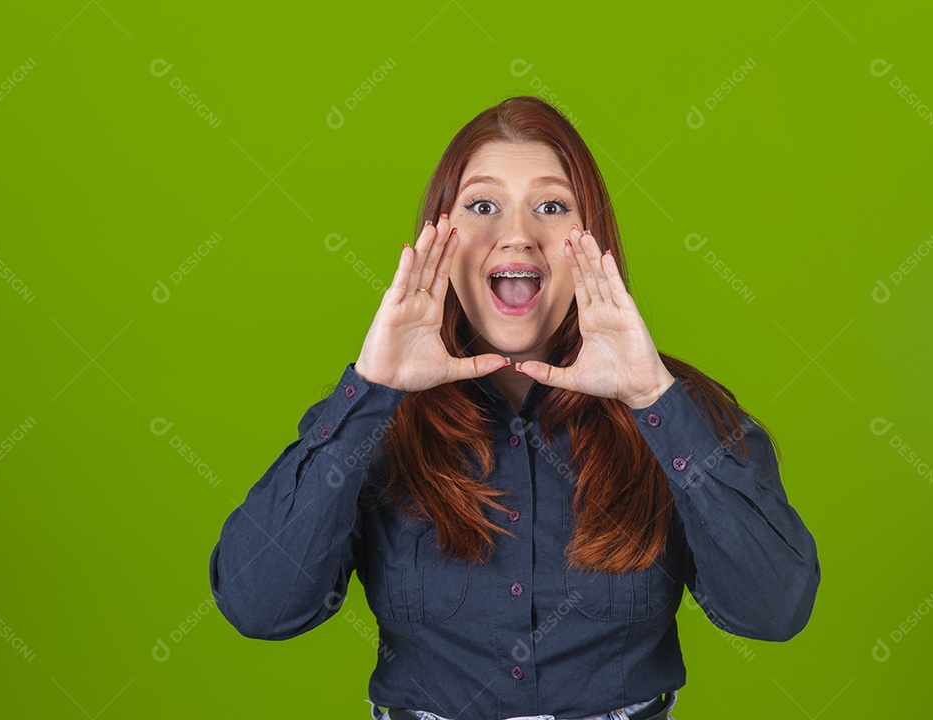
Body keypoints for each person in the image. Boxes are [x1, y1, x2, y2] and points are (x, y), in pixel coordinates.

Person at [208, 95, 820, 720]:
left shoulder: (678, 411)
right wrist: (372, 390)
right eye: (483, 206)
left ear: (593, 238)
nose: (519, 235)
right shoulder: (373, 416)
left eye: (551, 207)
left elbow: (773, 610)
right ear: (440, 237)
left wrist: (653, 400)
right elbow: (261, 606)